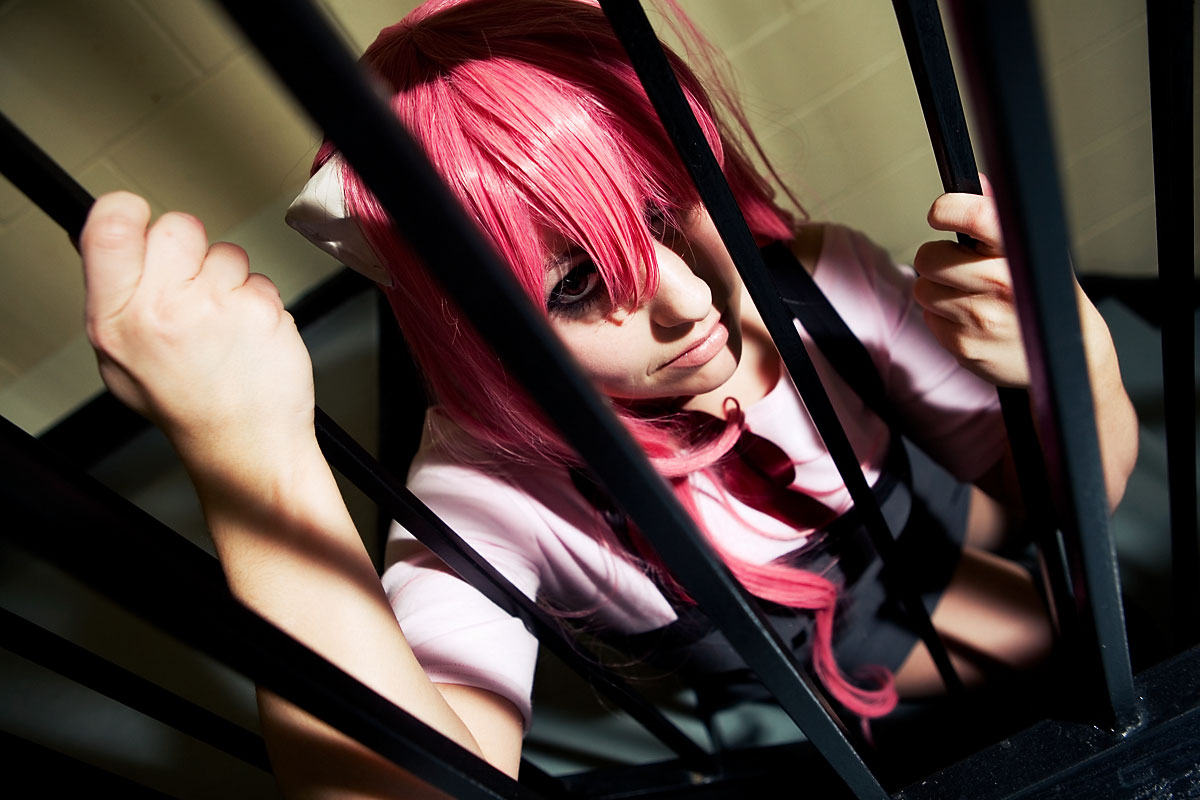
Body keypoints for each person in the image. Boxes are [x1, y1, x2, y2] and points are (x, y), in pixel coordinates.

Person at [77, 0, 1138, 794]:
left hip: (924, 496)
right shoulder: (490, 491)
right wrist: (254, 455)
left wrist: (1072, 359)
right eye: (579, 282)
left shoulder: (822, 281)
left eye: (671, 204)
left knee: (1059, 570)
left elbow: (1063, 492)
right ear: (475, 323)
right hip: (833, 644)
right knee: (1061, 642)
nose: (690, 299)